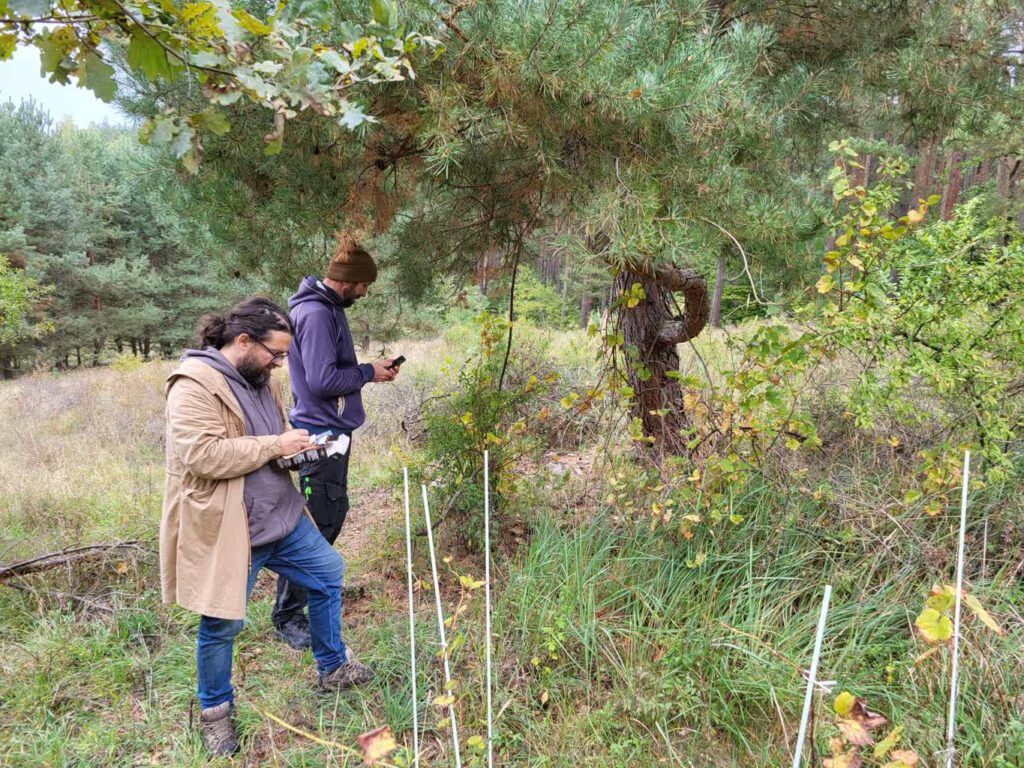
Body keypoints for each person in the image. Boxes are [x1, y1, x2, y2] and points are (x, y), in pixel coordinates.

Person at [159, 297, 374, 757]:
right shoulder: (193, 385)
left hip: (284, 514)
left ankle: (333, 667)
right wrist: (276, 443)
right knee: (221, 625)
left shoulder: (261, 380)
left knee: (328, 576)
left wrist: (300, 451)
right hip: (233, 528)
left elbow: (270, 444)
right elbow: (203, 456)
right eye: (274, 354)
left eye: (283, 356)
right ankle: (216, 713)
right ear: (242, 340)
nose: (279, 364)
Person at [272, 234, 400, 649]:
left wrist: (369, 370)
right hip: (320, 435)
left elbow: (331, 371)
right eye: (363, 285)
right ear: (347, 281)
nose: (364, 292)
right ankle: (289, 617)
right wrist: (368, 373)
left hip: (334, 432)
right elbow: (323, 380)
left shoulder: (327, 309)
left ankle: (304, 600)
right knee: (317, 525)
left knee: (331, 515)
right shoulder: (315, 314)